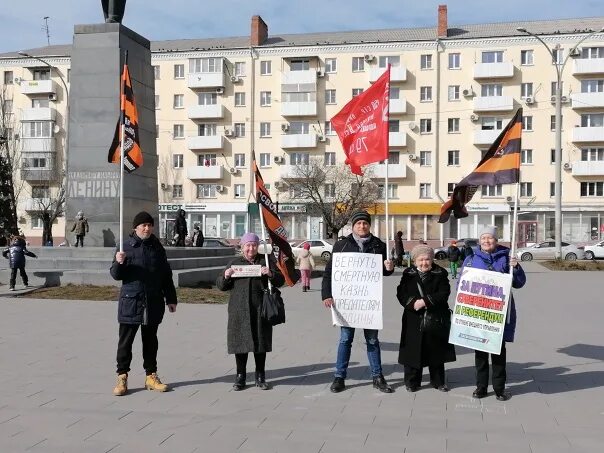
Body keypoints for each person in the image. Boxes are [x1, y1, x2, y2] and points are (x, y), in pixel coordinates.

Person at [322, 210, 395, 393]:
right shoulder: (342, 245)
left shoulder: (379, 245)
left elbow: (383, 272)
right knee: (346, 339)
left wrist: (389, 268)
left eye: (365, 223)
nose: (362, 226)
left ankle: (377, 377)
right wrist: (326, 294)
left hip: (369, 303)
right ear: (353, 226)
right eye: (358, 223)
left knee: (372, 340)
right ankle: (339, 377)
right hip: (347, 302)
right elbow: (330, 272)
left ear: (369, 225)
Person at [110, 211, 177, 396]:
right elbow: (116, 275)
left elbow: (166, 275)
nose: (147, 228)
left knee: (150, 341)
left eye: (149, 225)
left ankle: (151, 375)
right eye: (143, 225)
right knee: (126, 342)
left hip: (153, 301)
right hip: (131, 302)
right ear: (136, 228)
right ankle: (122, 376)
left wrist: (171, 298)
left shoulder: (157, 247)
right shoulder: (125, 246)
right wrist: (119, 262)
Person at [461, 225, 526, 401]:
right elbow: (462, 282)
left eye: (490, 238)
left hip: (498, 312)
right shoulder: (471, 259)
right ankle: (481, 387)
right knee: (480, 352)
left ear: (496, 241)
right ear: (479, 241)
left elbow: (519, 283)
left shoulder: (506, 258)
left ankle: (499, 388)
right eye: (483, 238)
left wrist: (516, 267)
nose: (486, 241)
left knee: (498, 352)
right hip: (479, 311)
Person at [216, 232, 284, 391]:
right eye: (248, 245)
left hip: (260, 309)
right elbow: (221, 286)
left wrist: (270, 273)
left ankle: (260, 376)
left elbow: (280, 281)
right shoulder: (234, 263)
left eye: (254, 245)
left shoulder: (265, 261)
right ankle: (241, 376)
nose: (251, 248)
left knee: (260, 343)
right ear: (242, 247)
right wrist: (226, 276)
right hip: (239, 311)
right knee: (240, 344)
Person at [396, 245, 456, 392]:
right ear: (415, 261)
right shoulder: (408, 273)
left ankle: (438, 381)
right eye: (420, 259)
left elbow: (444, 292)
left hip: (435, 317)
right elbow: (401, 292)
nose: (424, 263)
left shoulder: (440, 273)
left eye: (427, 259)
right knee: (412, 350)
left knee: (436, 350)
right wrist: (412, 303)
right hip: (413, 317)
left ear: (432, 259)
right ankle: (412, 382)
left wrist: (425, 301)